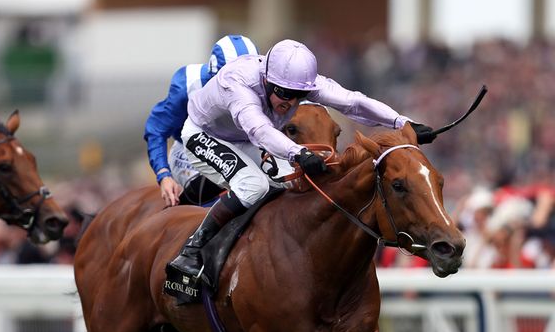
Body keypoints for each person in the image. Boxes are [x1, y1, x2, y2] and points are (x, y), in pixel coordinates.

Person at [168, 39, 436, 279]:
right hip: (205, 134)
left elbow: (353, 102)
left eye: (298, 96)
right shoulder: (238, 85)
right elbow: (259, 131)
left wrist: (403, 122)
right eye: (284, 93)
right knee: (254, 186)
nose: (290, 102)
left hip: (243, 137)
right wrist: (299, 153)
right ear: (268, 80)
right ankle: (191, 251)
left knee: (290, 182)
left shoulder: (296, 82)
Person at [145, 34, 258, 207]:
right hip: (192, 150)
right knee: (212, 192)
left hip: (239, 146)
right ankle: (200, 233)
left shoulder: (262, 81)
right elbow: (156, 130)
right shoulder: (187, 85)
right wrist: (164, 175)